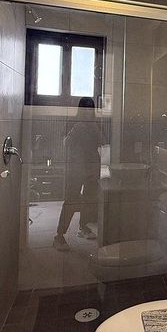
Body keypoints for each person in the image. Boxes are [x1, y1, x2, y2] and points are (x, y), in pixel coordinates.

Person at [53, 98, 103, 250]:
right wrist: (76, 130)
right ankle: (59, 236)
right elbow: (65, 143)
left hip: (92, 165)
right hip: (76, 166)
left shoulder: (95, 124)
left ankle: (83, 226)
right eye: (85, 109)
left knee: (90, 198)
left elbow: (103, 141)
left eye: (90, 109)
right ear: (80, 110)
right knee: (71, 199)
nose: (88, 113)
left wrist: (96, 130)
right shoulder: (73, 123)